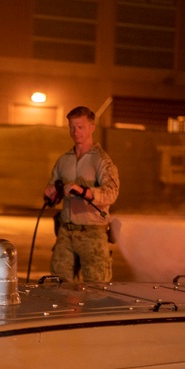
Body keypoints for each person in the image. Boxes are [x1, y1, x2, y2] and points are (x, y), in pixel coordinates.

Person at [43, 105, 119, 282]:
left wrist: (83, 191)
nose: (75, 131)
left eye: (80, 126)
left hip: (92, 234)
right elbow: (52, 192)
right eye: (72, 126)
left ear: (92, 127)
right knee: (57, 287)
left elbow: (112, 193)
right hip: (65, 232)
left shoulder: (101, 160)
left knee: (97, 290)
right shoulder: (64, 160)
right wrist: (50, 193)